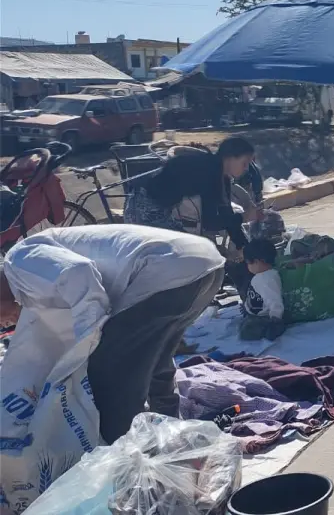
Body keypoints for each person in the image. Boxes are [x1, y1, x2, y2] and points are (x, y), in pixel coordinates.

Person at [0, 225, 226, 445]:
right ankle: (171, 432)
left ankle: (119, 455)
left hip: (165, 271)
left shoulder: (19, 260)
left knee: (111, 374)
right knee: (155, 358)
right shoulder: (24, 274)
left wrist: (89, 340)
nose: (3, 324)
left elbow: (79, 273)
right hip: (204, 266)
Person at [125, 136, 255, 252]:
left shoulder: (221, 176)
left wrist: (245, 247)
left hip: (162, 208)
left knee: (192, 248)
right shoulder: (208, 172)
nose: (246, 169)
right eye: (244, 163)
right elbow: (210, 223)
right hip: (142, 206)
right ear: (230, 157)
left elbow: (226, 214)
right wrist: (243, 217)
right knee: (187, 251)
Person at [239, 238, 287, 341]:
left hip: (264, 317)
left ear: (258, 262)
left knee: (247, 332)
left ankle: (272, 330)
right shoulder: (261, 276)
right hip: (255, 311)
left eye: (248, 263)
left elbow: (275, 300)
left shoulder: (267, 279)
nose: (248, 267)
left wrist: (275, 318)